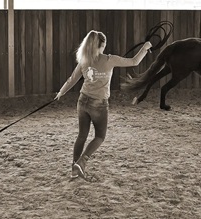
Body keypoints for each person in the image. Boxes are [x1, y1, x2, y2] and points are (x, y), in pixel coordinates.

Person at [54, 30, 152, 179]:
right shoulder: (109, 59)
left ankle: (74, 167)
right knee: (100, 136)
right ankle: (81, 162)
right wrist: (145, 48)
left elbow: (72, 79)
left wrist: (61, 92)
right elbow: (134, 61)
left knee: (82, 135)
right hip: (99, 104)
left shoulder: (84, 60)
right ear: (103, 44)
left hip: (82, 101)